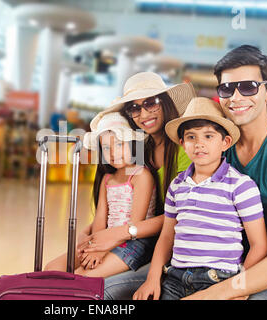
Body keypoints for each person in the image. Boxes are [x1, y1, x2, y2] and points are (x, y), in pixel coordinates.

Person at [182, 45, 267, 300]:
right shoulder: (216, 147)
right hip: (217, 270)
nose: (236, 97)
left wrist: (216, 294)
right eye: (227, 88)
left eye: (249, 87)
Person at [133, 97, 267, 300]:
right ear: (182, 143)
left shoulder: (241, 186)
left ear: (225, 142)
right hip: (175, 278)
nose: (199, 144)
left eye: (208, 136)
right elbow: (167, 237)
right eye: (191, 137)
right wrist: (152, 278)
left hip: (219, 280)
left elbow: (259, 245)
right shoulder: (177, 186)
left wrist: (239, 287)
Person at [75, 72, 196, 299]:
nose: (143, 114)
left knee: (91, 285)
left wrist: (121, 233)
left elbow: (181, 214)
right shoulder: (140, 150)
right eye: (135, 108)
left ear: (166, 103)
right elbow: (120, 200)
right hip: (133, 236)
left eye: (151, 103)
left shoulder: (184, 150)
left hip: (167, 246)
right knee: (64, 270)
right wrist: (89, 233)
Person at [44, 112, 161, 277]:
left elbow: (136, 223)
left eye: (120, 145)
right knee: (52, 268)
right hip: (105, 238)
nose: (113, 153)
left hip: (132, 242)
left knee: (80, 275)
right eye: (106, 148)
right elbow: (100, 218)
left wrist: (101, 249)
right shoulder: (107, 179)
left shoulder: (141, 175)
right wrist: (94, 245)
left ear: (133, 144)